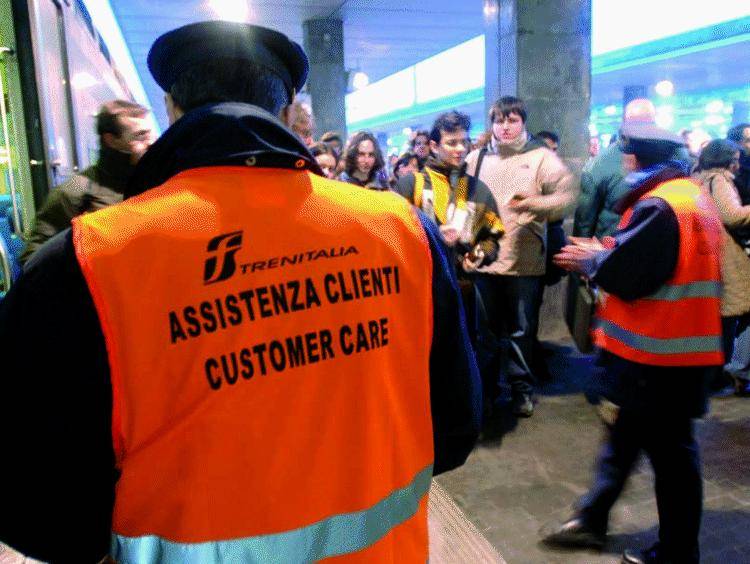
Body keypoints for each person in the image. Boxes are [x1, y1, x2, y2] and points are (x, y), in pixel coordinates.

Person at [0, 21, 481, 563]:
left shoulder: (84, 263)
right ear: (287, 110)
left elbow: (37, 512)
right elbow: (456, 427)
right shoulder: (402, 230)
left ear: (172, 109)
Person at [545, 122, 723, 564]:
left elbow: (632, 274)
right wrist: (607, 248)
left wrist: (595, 260)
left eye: (626, 158)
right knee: (628, 439)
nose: (623, 166)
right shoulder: (688, 197)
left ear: (637, 159)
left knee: (671, 458)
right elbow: (650, 255)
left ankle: (677, 552)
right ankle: (593, 518)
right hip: (670, 354)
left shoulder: (660, 205)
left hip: (658, 357)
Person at [465, 96, 576, 417]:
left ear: (523, 122)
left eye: (512, 120)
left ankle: (521, 390)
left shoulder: (542, 158)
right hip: (484, 260)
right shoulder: (476, 159)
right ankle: (485, 392)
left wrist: (539, 205)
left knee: (521, 332)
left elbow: (567, 195)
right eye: (499, 120)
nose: (505, 127)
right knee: (483, 334)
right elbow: (462, 199)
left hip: (524, 261)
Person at [20, 100, 153, 264]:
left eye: (150, 134)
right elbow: (33, 260)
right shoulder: (75, 190)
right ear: (111, 140)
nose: (151, 143)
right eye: (140, 136)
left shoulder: (154, 184)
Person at [694, 139, 750, 396]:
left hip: (711, 254)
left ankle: (716, 372)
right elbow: (731, 215)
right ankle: (721, 374)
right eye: (736, 158)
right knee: (728, 318)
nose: (738, 163)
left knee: (720, 320)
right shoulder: (720, 180)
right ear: (725, 159)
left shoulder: (700, 177)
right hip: (727, 257)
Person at [574, 98, 657, 239]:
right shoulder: (599, 166)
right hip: (613, 253)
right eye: (636, 124)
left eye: (647, 123)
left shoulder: (675, 157)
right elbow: (584, 223)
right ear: (624, 124)